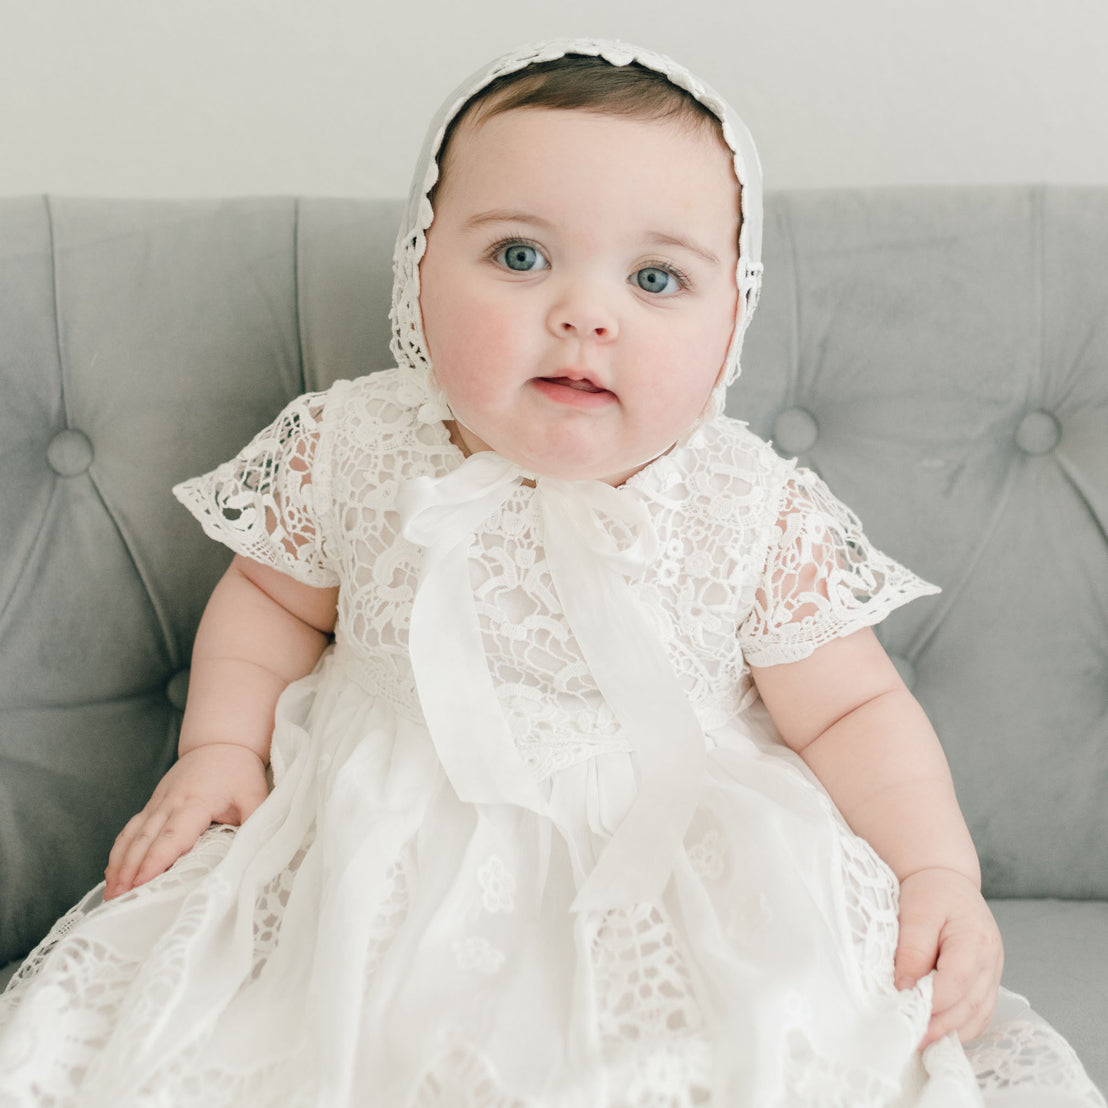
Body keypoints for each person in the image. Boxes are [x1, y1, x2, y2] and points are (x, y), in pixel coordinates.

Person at [0, 38, 1102, 1108]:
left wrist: (937, 874)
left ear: (731, 325)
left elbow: (855, 707)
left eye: (656, 277)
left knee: (756, 1037)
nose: (585, 312)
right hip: (376, 835)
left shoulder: (743, 501)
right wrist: (221, 751)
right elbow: (268, 600)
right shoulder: (361, 445)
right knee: (256, 1033)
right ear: (419, 272)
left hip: (672, 853)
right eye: (519, 256)